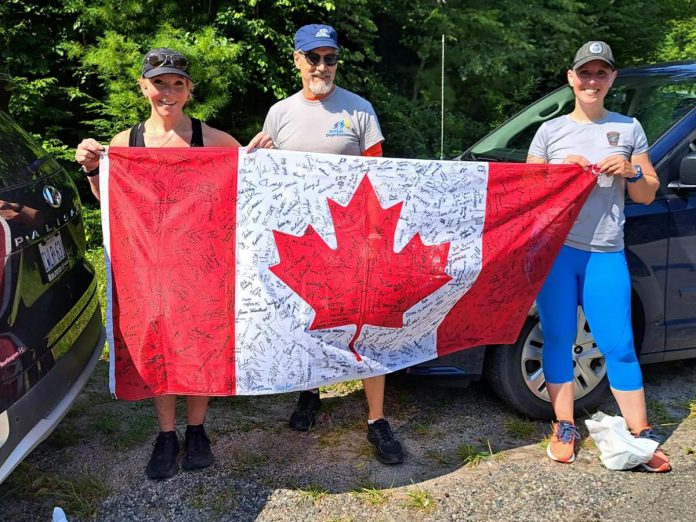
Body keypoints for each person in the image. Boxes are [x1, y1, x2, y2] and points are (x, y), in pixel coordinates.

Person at [75, 48, 241, 479]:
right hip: (147, 268)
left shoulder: (213, 140)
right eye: (159, 83)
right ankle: (167, 435)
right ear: (143, 86)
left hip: (201, 266)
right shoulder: (124, 144)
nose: (168, 92)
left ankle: (197, 429)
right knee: (158, 342)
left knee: (198, 341)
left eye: (177, 84)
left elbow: (249, 182)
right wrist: (94, 171)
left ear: (189, 91)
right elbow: (109, 202)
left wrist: (263, 155)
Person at [247, 24, 403, 465]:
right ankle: (310, 392)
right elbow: (270, 180)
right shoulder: (280, 113)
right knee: (306, 318)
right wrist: (254, 159)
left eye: (329, 58)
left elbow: (380, 179)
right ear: (297, 60)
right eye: (312, 58)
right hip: (304, 242)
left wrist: (374, 236)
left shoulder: (359, 111)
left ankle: (376, 419)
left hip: (354, 241)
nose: (321, 67)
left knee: (369, 325)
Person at [527, 41, 670, 472]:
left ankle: (642, 435)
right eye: (584, 73)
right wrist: (556, 173)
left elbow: (647, 194)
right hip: (558, 254)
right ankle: (564, 425)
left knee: (619, 344)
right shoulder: (549, 133)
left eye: (600, 73)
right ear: (571, 78)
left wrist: (632, 171)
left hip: (605, 252)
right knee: (557, 339)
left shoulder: (629, 128)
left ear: (611, 79)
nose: (592, 81)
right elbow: (529, 198)